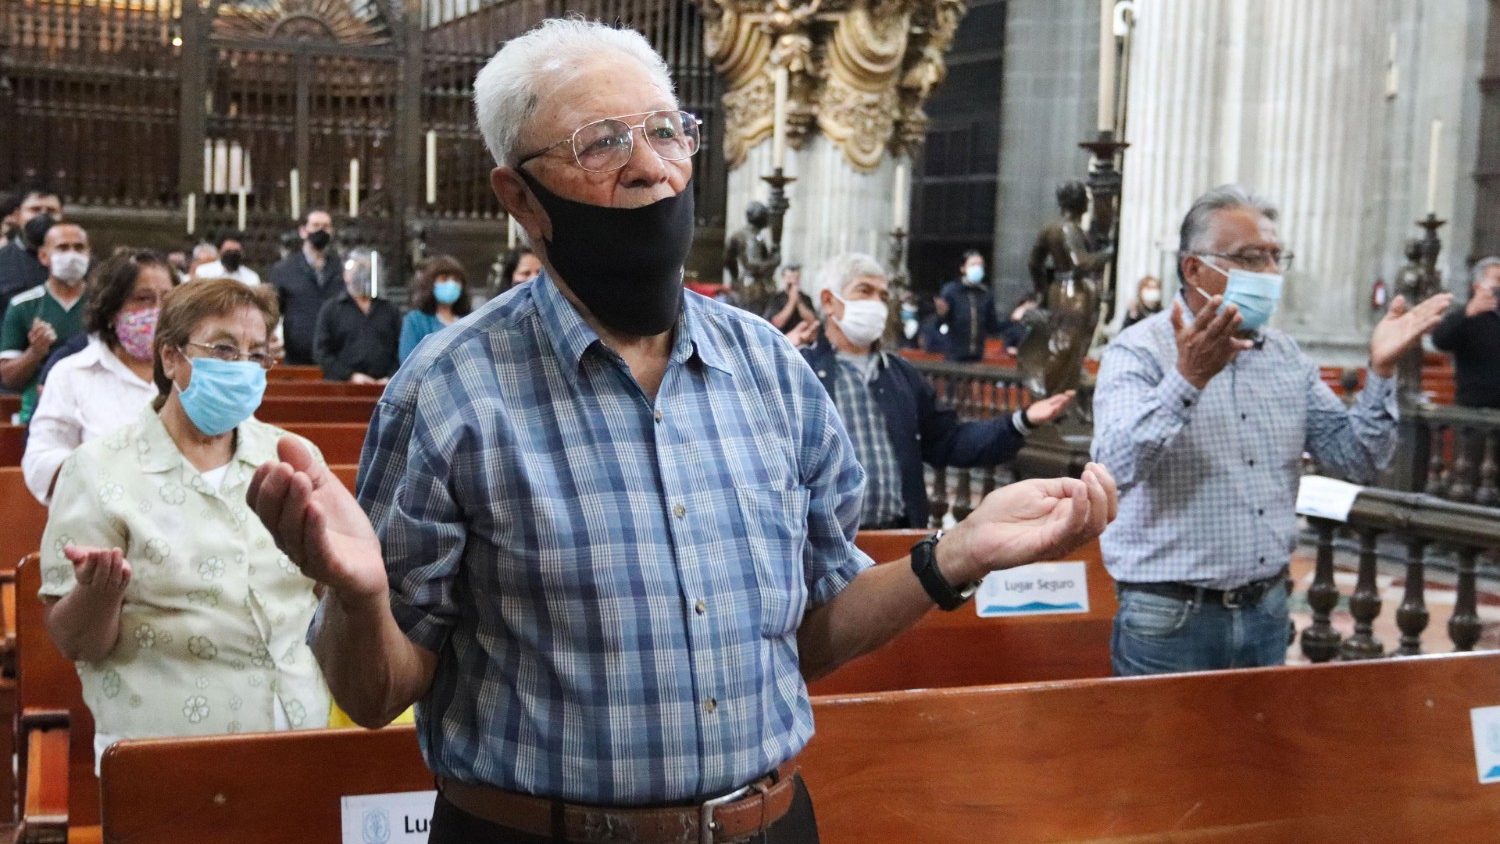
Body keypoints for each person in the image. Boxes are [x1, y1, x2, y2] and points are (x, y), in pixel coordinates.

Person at [244, 19, 1117, 844]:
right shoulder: (449, 392)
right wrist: (356, 597)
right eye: (602, 142)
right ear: (521, 196)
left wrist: (954, 554)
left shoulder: (772, 372)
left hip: (766, 825)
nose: (651, 167)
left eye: (667, 132)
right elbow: (377, 692)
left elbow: (807, 634)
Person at [1091, 184, 1452, 677]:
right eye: (1250, 258)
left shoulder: (1285, 356)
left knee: (1255, 755)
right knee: (1162, 756)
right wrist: (1187, 379)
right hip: (1171, 614)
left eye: (1275, 258)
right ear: (1194, 268)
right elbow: (1113, 468)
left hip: (1266, 609)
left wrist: (1381, 371)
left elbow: (1356, 458)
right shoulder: (1139, 351)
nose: (1270, 274)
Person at [38, 278, 332, 771]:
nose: (242, 368)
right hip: (165, 750)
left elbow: (328, 594)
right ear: (171, 358)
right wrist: (99, 592)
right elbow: (76, 641)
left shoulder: (289, 457)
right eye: (223, 348)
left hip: (298, 735)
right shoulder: (99, 470)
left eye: (257, 355)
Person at [800, 253, 1074, 529]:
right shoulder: (801, 372)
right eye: (864, 291)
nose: (877, 304)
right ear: (828, 301)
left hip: (896, 535)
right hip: (823, 546)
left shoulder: (899, 374)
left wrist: (1021, 421)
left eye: (883, 296)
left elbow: (949, 440)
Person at [23, 249, 173, 503]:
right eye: (143, 298)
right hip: (98, 520)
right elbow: (41, 461)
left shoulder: (192, 372)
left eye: (167, 299)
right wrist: (107, 474)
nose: (157, 310)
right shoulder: (72, 373)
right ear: (112, 308)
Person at [1, 222, 91, 423]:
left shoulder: (104, 305)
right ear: (43, 256)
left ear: (88, 254)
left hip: (93, 412)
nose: (72, 255)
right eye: (62, 248)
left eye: (78, 248)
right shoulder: (23, 305)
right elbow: (8, 378)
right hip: (39, 413)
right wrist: (35, 352)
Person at [313, 248, 400, 383]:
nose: (363, 274)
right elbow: (321, 353)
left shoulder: (390, 310)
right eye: (358, 268)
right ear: (345, 274)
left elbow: (401, 350)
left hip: (384, 387)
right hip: (342, 388)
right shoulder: (331, 309)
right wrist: (350, 376)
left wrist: (391, 377)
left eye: (367, 269)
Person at [268, 209, 342, 365]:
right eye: (315, 225)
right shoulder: (284, 269)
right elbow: (272, 310)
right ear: (303, 231)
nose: (321, 230)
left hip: (336, 357)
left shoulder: (341, 269)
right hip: (297, 357)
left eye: (326, 226)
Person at [1431, 256, 1500, 409]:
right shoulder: (1466, 317)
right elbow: (1440, 340)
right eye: (1498, 280)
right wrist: (1468, 313)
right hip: (1474, 410)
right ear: (1478, 286)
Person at [0, 184, 62, 317]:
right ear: (17, 216)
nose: (43, 215)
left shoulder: (80, 261)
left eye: (51, 211)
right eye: (35, 209)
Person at [399, 254, 471, 364]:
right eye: (444, 279)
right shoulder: (415, 321)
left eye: (456, 280)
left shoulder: (470, 321)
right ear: (430, 284)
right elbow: (408, 364)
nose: (451, 284)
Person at [936, 250, 1004, 362]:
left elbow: (992, 326)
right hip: (954, 353)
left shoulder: (986, 293)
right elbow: (940, 324)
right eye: (973, 264)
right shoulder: (951, 291)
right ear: (963, 268)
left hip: (977, 354)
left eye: (980, 265)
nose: (977, 268)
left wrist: (1012, 320)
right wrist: (942, 314)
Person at [762, 263, 817, 335]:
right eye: (790, 278)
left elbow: (813, 322)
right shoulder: (776, 298)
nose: (793, 281)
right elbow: (776, 323)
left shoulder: (806, 298)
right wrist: (792, 302)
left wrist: (799, 302)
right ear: (784, 278)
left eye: (796, 278)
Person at [192, 232, 263, 287]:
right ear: (220, 252)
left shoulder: (251, 277)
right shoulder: (204, 272)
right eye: (228, 251)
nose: (232, 255)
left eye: (236, 252)